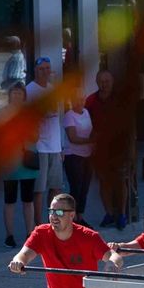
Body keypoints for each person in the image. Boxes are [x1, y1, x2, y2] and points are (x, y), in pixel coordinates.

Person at [86, 69, 130, 230]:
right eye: (101, 82)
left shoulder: (120, 99)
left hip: (118, 146)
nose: (104, 85)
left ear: (112, 82)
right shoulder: (91, 100)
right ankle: (109, 213)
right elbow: (85, 121)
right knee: (104, 181)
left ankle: (122, 214)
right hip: (100, 148)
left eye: (107, 81)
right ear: (97, 83)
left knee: (120, 180)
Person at [2, 82, 40, 248]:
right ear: (9, 95)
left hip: (27, 161)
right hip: (10, 163)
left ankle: (29, 233)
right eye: (14, 93)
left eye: (20, 93)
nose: (17, 96)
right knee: (10, 200)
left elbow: (36, 135)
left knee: (28, 200)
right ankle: (9, 235)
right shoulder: (3, 113)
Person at [26, 56, 65, 214]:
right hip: (40, 147)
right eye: (41, 69)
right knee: (39, 189)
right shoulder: (29, 91)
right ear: (35, 71)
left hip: (55, 147)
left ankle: (52, 221)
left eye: (47, 68)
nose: (45, 72)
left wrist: (62, 146)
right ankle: (38, 224)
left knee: (55, 187)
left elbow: (59, 119)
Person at [62, 91, 95, 220]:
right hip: (73, 156)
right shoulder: (69, 116)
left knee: (85, 188)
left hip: (88, 155)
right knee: (76, 187)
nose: (80, 102)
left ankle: (80, 216)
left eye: (82, 99)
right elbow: (73, 138)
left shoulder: (86, 112)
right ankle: (72, 217)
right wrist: (91, 141)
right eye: (77, 99)